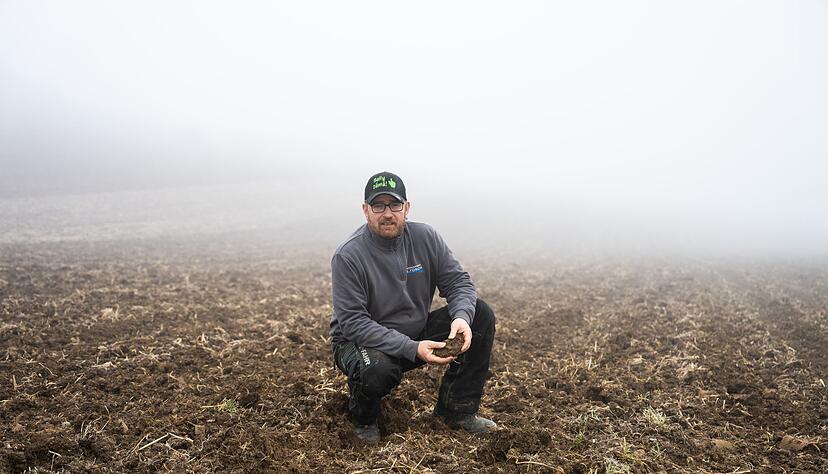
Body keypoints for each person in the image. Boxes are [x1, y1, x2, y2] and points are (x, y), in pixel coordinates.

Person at [329, 171, 497, 443]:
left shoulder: (426, 238)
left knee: (481, 314)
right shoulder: (348, 255)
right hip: (358, 341)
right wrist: (412, 348)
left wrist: (461, 318)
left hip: (414, 332)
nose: (387, 213)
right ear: (365, 210)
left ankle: (457, 411)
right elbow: (354, 323)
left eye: (394, 205)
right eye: (378, 205)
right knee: (378, 368)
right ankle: (364, 419)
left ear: (406, 207)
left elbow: (458, 282)